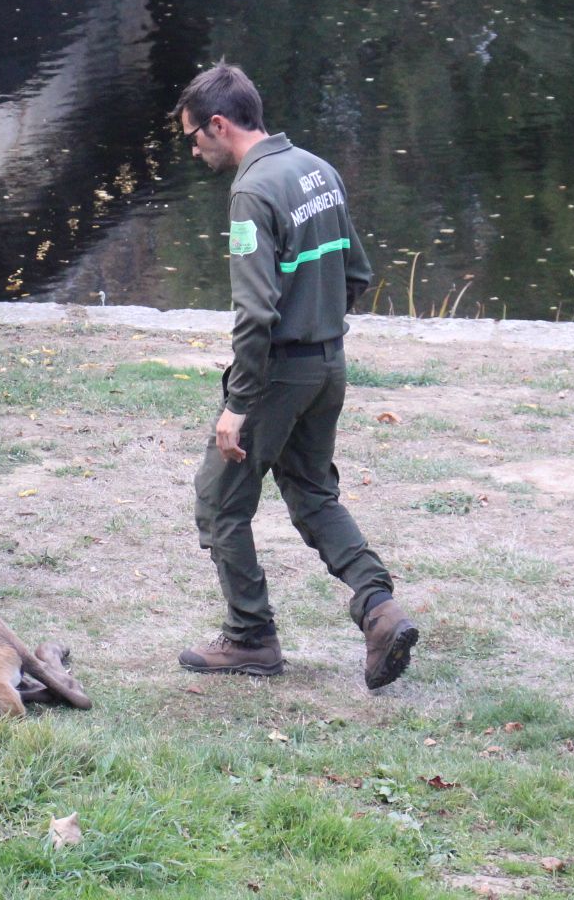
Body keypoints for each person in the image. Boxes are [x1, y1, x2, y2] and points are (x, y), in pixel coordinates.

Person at [172, 63, 419, 690]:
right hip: (328, 362)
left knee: (219, 500)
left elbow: (255, 312)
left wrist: (239, 405)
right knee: (310, 489)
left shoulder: (252, 192)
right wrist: (321, 329)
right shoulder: (317, 170)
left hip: (279, 373)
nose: (193, 147)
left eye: (194, 135)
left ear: (219, 124)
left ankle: (250, 637)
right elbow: (356, 272)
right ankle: (377, 606)